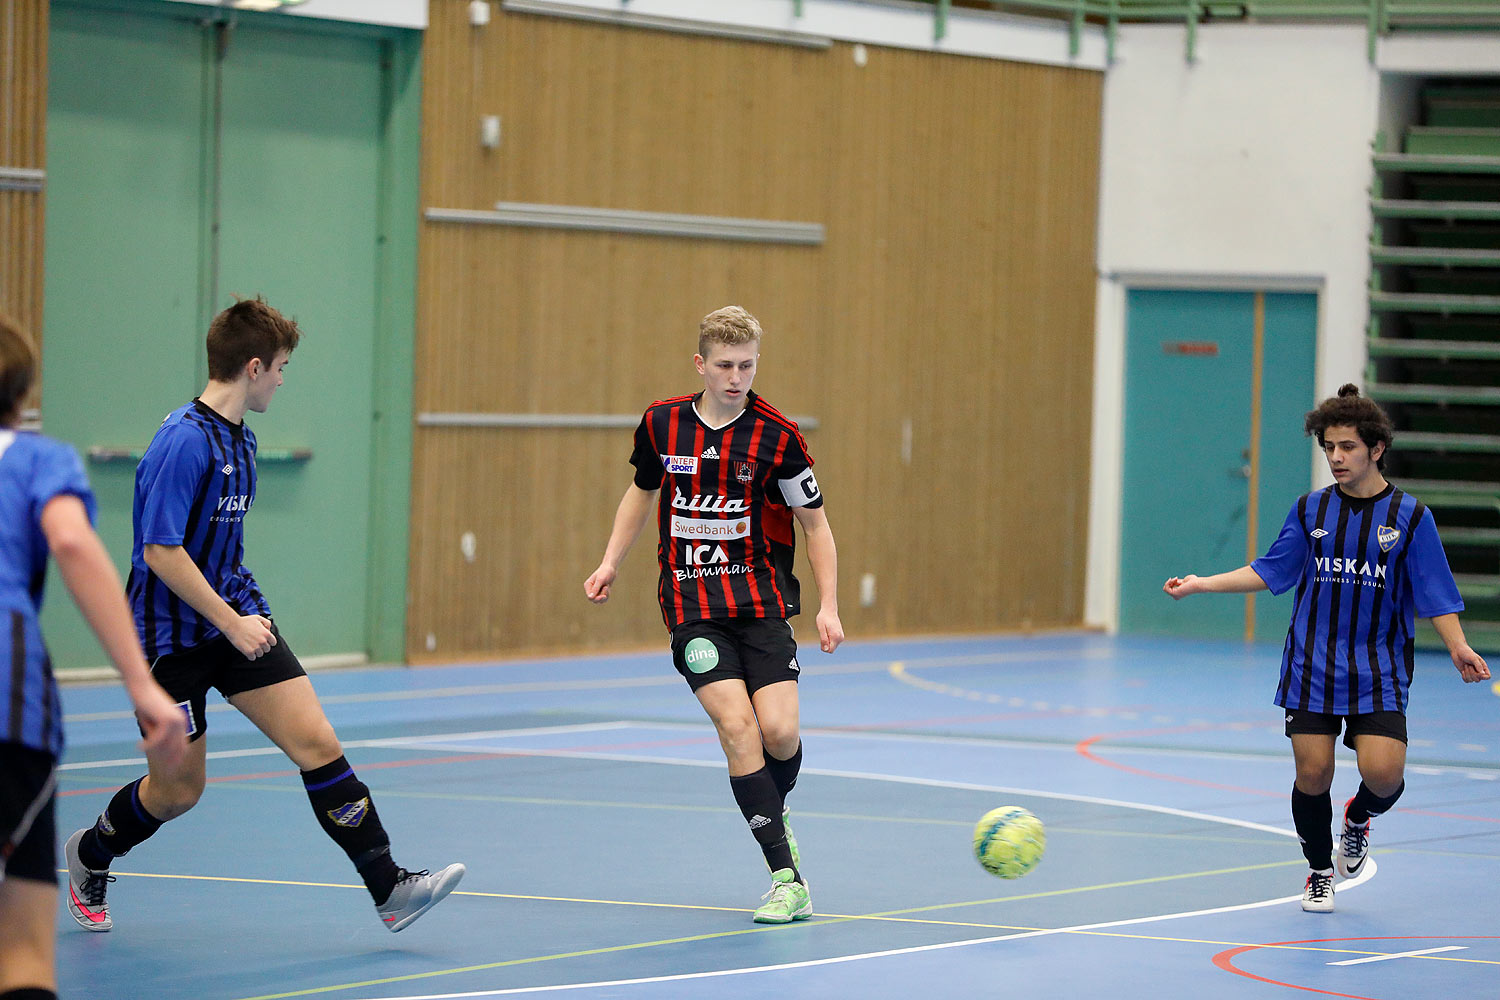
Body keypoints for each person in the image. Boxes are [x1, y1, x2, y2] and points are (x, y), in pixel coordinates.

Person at [63, 297, 463, 935]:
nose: (282, 379)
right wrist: (230, 621)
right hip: (169, 644)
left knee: (318, 743)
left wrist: (250, 613)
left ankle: (389, 889)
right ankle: (90, 854)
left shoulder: (241, 440)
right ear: (253, 367)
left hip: (233, 620)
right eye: (279, 367)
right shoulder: (182, 443)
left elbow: (222, 550)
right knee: (176, 793)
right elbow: (161, 553)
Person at [1164, 383, 1490, 913]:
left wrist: (1457, 647)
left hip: (1378, 667)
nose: (1336, 458)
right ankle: (1319, 869)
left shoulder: (1410, 517)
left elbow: (1434, 590)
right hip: (1311, 662)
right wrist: (1202, 583)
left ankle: (1358, 819)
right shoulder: (1311, 510)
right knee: (1312, 772)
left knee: (1384, 774)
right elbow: (1271, 570)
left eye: (1347, 448)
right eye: (1329, 448)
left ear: (1375, 449)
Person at [585, 306, 844, 923]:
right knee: (737, 727)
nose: (736, 377)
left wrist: (828, 605)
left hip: (759, 603)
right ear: (700, 364)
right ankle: (787, 876)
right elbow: (641, 492)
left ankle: (771, 820)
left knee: (778, 732)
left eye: (747, 366)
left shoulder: (778, 437)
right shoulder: (662, 424)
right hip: (691, 604)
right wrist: (609, 561)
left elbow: (816, 524)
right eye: (725, 366)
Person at [0, 313, 187, 1000]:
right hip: (9, 703)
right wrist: (143, 685)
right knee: (22, 953)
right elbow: (74, 545)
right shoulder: (36, 460)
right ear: (22, 394)